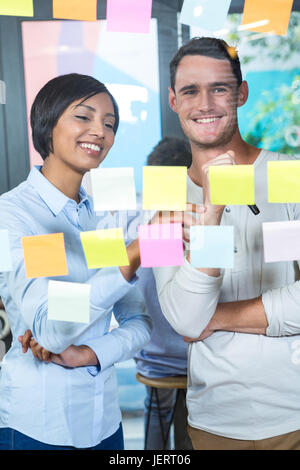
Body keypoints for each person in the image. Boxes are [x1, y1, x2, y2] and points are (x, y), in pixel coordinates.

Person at [152, 37, 300, 450]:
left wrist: (216, 318)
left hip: (295, 412)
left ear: (241, 92)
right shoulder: (162, 197)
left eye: (219, 88)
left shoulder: (291, 175)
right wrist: (212, 214)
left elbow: (200, 320)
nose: (205, 103)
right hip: (214, 420)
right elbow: (183, 319)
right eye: (190, 90)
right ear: (173, 100)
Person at [0, 73, 152, 450]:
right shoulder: (18, 216)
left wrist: (91, 353)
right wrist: (128, 260)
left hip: (104, 423)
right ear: (47, 123)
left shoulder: (103, 218)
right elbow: (51, 329)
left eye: (110, 123)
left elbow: (139, 323)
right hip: (39, 427)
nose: (99, 131)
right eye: (84, 117)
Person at [134, 137, 193, 450]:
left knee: (157, 409)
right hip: (196, 360)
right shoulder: (200, 227)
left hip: (153, 359)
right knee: (195, 409)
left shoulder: (145, 229)